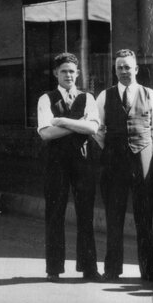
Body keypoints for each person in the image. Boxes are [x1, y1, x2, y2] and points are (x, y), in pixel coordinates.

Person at [94, 49, 153, 282]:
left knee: (144, 216)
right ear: (115, 70)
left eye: (127, 67)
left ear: (136, 69)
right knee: (114, 216)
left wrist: (144, 147)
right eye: (119, 67)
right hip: (114, 162)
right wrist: (110, 147)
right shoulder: (105, 95)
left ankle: (148, 270)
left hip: (142, 160)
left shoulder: (149, 94)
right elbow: (97, 128)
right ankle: (112, 269)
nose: (123, 71)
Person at [36, 52, 101, 282]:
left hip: (83, 162)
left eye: (72, 71)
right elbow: (46, 132)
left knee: (86, 214)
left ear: (78, 73)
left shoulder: (88, 98)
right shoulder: (46, 98)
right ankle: (53, 269)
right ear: (56, 73)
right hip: (56, 162)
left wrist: (62, 121)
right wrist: (79, 125)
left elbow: (93, 128)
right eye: (64, 71)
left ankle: (89, 268)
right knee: (55, 213)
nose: (68, 75)